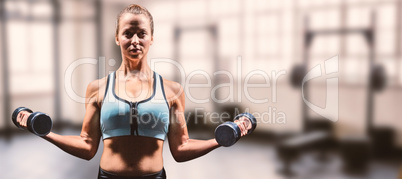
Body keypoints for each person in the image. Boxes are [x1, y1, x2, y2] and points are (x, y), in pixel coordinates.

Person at [15, 4, 251, 179]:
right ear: (117, 38)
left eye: (142, 34)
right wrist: (43, 132)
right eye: (128, 33)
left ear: (151, 39)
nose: (135, 40)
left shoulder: (172, 90)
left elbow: (181, 148)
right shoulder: (98, 88)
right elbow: (87, 146)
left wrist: (222, 140)